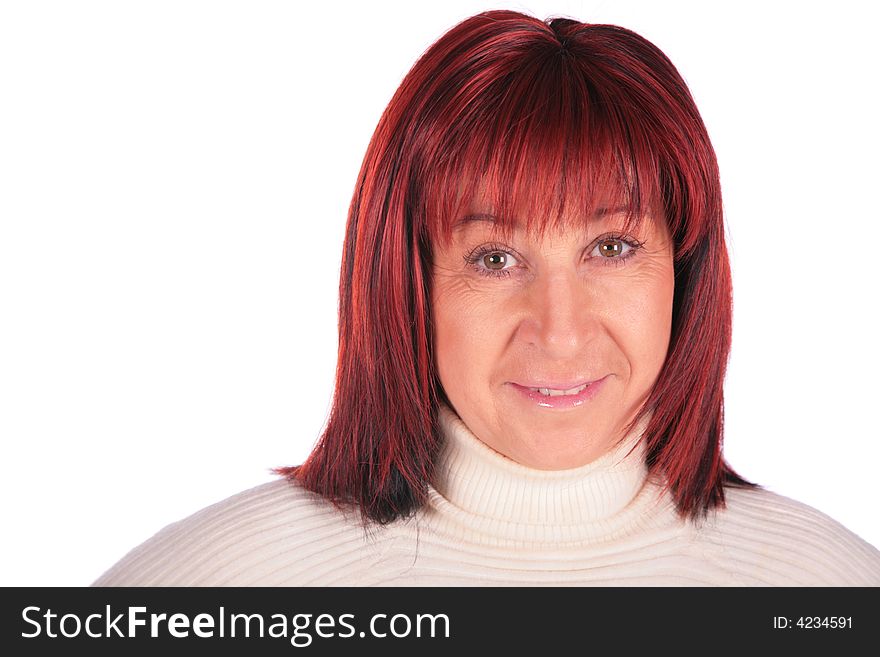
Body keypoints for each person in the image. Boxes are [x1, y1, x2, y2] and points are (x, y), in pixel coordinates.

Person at [94, 9, 880, 586]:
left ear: (686, 266)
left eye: (611, 247)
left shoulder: (827, 585)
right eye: (496, 257)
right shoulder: (211, 592)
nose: (562, 332)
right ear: (408, 281)